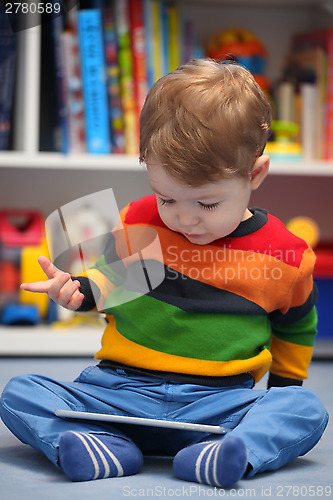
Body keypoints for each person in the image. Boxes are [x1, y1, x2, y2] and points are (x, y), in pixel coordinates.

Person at [0, 60, 328, 488]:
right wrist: (77, 291)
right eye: (166, 198)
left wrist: (282, 393)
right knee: (19, 391)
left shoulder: (286, 254)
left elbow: (297, 328)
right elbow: (113, 282)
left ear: (255, 175)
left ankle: (223, 454)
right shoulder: (138, 221)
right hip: (118, 393)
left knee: (304, 409)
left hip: (219, 406)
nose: (184, 219)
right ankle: (103, 446)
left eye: (207, 204)